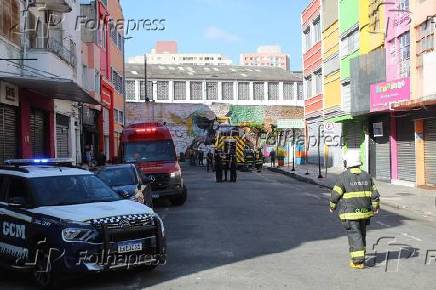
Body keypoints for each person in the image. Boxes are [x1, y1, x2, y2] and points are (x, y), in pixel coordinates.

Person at [329, 149, 380, 270]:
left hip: (350, 213)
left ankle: (358, 261)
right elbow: (375, 194)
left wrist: (332, 206)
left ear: (348, 162)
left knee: (354, 234)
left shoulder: (343, 177)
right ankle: (361, 254)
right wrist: (375, 206)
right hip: (364, 212)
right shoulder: (366, 175)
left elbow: (335, 194)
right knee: (361, 234)